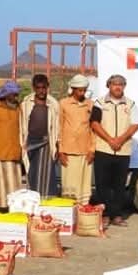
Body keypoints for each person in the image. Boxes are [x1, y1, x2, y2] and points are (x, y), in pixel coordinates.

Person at [90, 74, 138, 227]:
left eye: (121, 84)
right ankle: (105, 215)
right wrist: (110, 139)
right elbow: (94, 123)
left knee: (119, 184)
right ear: (109, 86)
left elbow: (135, 124)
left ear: (124, 86)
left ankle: (117, 215)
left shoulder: (130, 104)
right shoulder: (99, 103)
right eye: (114, 84)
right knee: (102, 184)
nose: (118, 87)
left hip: (122, 150)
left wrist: (120, 139)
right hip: (103, 149)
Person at [20, 73, 59, 199]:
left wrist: (57, 145)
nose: (41, 91)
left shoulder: (53, 104)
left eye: (44, 87)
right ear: (34, 88)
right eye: (38, 88)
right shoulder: (26, 103)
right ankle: (34, 201)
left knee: (48, 176)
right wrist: (22, 144)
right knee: (32, 174)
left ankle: (47, 201)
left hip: (47, 143)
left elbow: (57, 126)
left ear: (47, 87)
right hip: (30, 144)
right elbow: (22, 125)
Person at [58, 74, 95, 202]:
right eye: (79, 90)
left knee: (84, 184)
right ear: (73, 89)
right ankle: (70, 210)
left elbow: (93, 128)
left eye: (84, 90)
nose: (82, 93)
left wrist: (92, 150)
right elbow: (59, 127)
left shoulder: (90, 104)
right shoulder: (63, 103)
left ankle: (83, 209)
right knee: (70, 184)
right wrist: (61, 151)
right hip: (68, 151)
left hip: (85, 151)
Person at [0, 80, 22, 211]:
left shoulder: (19, 108)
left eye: (16, 94)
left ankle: (14, 206)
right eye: (13, 94)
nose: (15, 97)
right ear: (6, 94)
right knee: (1, 181)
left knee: (15, 181)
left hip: (15, 150)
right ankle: (1, 206)